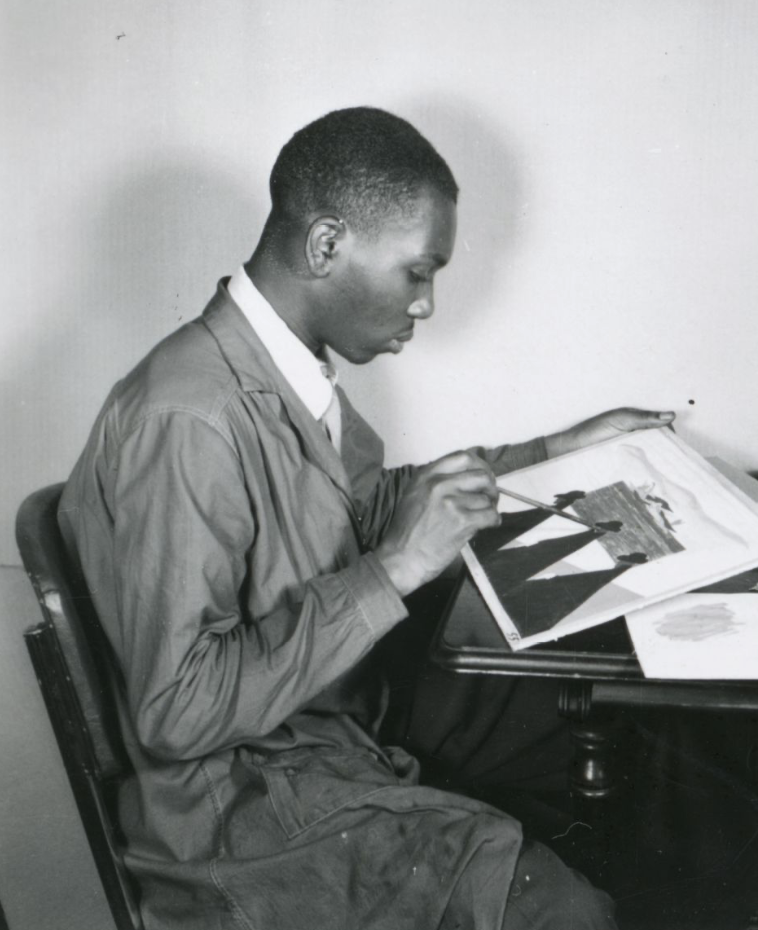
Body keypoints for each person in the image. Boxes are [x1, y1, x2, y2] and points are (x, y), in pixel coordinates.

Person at [58, 107, 675, 930]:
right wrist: (394, 570)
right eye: (417, 272)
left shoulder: (278, 371)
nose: (425, 304)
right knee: (562, 910)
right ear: (325, 246)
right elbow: (179, 712)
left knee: (621, 733)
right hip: (237, 808)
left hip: (320, 731)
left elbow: (369, 507)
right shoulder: (188, 417)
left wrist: (559, 451)